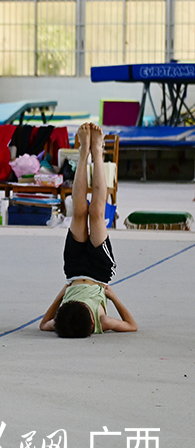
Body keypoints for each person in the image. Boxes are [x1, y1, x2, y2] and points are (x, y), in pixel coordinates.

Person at [40, 122, 137, 337]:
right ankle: (98, 152)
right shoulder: (103, 321)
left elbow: (44, 324)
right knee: (96, 214)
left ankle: (84, 153)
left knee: (79, 212)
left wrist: (62, 294)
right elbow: (131, 325)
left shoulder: (62, 322)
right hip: (99, 273)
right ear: (93, 322)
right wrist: (112, 297)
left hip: (73, 271)